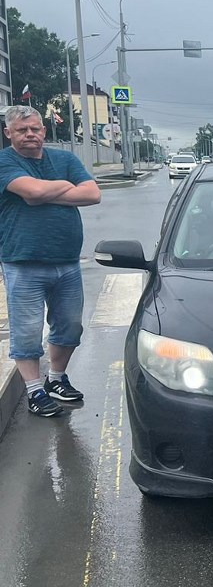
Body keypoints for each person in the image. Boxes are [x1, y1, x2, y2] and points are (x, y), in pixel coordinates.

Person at [0, 106, 102, 417]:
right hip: (22, 261)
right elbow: (30, 190)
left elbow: (93, 194)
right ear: (8, 133)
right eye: (21, 130)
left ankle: (56, 379)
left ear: (44, 130)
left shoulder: (65, 159)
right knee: (28, 330)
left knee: (70, 325)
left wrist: (45, 193)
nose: (29, 134)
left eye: (34, 128)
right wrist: (66, 188)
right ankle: (34, 391)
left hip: (67, 261)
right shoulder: (5, 161)